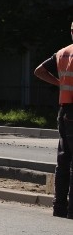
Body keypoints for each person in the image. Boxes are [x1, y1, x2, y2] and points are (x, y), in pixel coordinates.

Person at [34, 21, 73, 218]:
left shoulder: (62, 53)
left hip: (65, 111)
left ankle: (59, 208)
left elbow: (39, 71)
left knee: (64, 159)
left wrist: (60, 83)